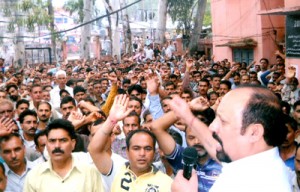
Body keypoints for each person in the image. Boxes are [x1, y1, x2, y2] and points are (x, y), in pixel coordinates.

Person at [167, 85, 292, 191]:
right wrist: (188, 117)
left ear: (254, 132)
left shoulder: (265, 184)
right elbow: (211, 143)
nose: (212, 127)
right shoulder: (249, 159)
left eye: (223, 121)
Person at [89, 95, 172, 192]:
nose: (142, 154)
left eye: (148, 149)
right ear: (127, 151)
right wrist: (111, 120)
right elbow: (94, 149)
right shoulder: (117, 169)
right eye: (136, 148)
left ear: (154, 152)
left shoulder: (167, 183)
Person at [24, 119, 104, 192]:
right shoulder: (34, 176)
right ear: (47, 145)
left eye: (63, 140)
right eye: (52, 141)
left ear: (73, 144)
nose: (57, 146)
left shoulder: (90, 173)